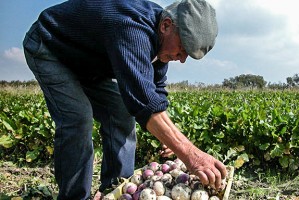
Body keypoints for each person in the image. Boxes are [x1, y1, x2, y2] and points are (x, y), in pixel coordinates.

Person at [23, 0, 227, 199]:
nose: (182, 59)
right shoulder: (132, 28)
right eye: (182, 48)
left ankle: (115, 189)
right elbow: (143, 102)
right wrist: (190, 154)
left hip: (87, 62)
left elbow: (155, 90)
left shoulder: (160, 40)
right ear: (166, 26)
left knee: (121, 112)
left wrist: (173, 139)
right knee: (78, 119)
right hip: (51, 46)